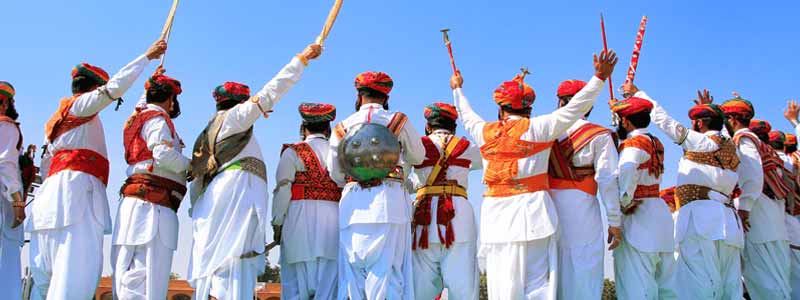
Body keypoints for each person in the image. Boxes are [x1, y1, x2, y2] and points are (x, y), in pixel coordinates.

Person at [450, 49, 617, 299]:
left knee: (501, 287)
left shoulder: (483, 131)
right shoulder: (539, 128)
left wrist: (457, 89)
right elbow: (575, 109)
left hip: (496, 224)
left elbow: (466, 114)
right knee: (537, 287)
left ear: (500, 108)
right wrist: (599, 78)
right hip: (534, 220)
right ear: (529, 109)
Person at [29, 39, 167, 300]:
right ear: (94, 88)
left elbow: (46, 166)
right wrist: (146, 57)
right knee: (75, 275)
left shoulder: (57, 123)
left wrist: (150, 87)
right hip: (75, 199)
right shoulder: (80, 106)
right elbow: (115, 88)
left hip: (49, 204)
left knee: (44, 281)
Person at [187, 43, 321, 300]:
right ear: (241, 102)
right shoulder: (235, 118)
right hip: (235, 195)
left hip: (215, 201)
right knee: (233, 260)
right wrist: (301, 60)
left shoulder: (207, 132)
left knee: (222, 262)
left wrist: (198, 212)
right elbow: (271, 92)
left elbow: (198, 181)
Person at [629, 86, 743, 299]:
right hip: (727, 222)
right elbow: (721, 130)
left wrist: (638, 95)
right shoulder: (729, 144)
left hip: (701, 220)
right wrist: (709, 107)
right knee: (730, 285)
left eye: (695, 121)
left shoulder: (703, 143)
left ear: (700, 123)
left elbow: (665, 122)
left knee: (699, 282)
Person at [327, 71, 425, 300]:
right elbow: (419, 157)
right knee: (389, 275)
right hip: (389, 204)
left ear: (359, 95)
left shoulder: (342, 127)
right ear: (386, 95)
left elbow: (335, 173)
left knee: (352, 277)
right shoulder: (398, 121)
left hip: (352, 206)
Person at [112, 69, 190, 300]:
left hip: (139, 204)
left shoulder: (138, 117)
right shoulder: (157, 119)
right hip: (152, 208)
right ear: (170, 99)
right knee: (145, 274)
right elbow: (163, 155)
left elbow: (140, 105)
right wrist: (194, 165)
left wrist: (152, 80)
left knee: (130, 271)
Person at [547, 79, 622, 300]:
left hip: (545, 208)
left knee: (548, 271)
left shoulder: (542, 130)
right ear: (588, 105)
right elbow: (608, 180)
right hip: (583, 210)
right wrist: (614, 221)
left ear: (560, 102)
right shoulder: (600, 135)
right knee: (583, 271)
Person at [409, 102, 482, 300]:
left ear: (428, 126)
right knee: (463, 284)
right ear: (454, 127)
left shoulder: (417, 145)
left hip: (424, 217)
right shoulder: (467, 147)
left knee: (420, 285)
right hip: (458, 216)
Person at [721, 99, 792, 299]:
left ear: (733, 119)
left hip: (758, 223)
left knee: (766, 285)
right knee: (776, 282)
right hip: (771, 224)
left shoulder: (744, 139)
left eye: (725, 119)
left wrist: (744, 208)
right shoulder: (760, 143)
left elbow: (752, 176)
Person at [610, 96, 677, 299]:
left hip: (639, 215)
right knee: (666, 285)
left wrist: (624, 200)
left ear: (625, 121)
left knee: (636, 284)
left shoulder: (634, 143)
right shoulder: (655, 141)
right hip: (658, 212)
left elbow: (629, 167)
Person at [272, 102, 341, 300]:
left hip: (298, 224)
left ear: (303, 127)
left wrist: (277, 222)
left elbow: (282, 189)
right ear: (328, 128)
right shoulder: (339, 153)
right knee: (329, 290)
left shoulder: (292, 152)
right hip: (332, 227)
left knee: (295, 288)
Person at [0, 81, 24, 300]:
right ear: (6, 103)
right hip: (3, 201)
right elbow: (6, 165)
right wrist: (17, 202)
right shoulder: (6, 126)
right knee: (5, 261)